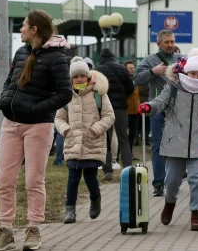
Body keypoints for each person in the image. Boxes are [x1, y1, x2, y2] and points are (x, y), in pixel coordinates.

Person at [0, 10, 72, 251]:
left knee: (33, 181)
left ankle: (33, 231)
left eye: (24, 25)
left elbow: (65, 93)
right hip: (10, 123)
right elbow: (10, 81)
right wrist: (5, 99)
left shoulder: (57, 58)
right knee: (4, 180)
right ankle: (5, 230)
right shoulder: (21, 52)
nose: (20, 29)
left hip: (38, 126)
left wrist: (37, 109)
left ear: (34, 29)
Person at [138, 48, 198, 231]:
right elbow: (160, 101)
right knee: (172, 181)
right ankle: (169, 203)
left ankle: (196, 214)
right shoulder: (173, 87)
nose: (195, 76)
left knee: (197, 178)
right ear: (186, 71)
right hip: (174, 140)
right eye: (192, 72)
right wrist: (148, 106)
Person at [55, 57, 115, 224]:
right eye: (76, 76)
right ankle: (70, 210)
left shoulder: (98, 94)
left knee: (90, 176)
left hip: (91, 142)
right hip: (73, 142)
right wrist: (65, 129)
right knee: (73, 178)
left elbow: (109, 116)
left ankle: (95, 198)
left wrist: (96, 129)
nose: (79, 79)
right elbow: (59, 118)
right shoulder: (66, 96)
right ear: (71, 79)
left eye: (82, 75)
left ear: (88, 76)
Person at [134, 29, 182, 196]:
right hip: (157, 108)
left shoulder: (180, 59)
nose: (170, 45)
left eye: (172, 42)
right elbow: (137, 79)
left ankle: (174, 179)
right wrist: (152, 72)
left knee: (177, 145)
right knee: (158, 145)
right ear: (159, 43)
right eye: (166, 42)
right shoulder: (149, 60)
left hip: (178, 108)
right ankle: (159, 183)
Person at [95, 48, 134, 181]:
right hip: (121, 109)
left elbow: (95, 90)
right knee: (123, 138)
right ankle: (128, 169)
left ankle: (107, 170)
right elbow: (131, 88)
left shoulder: (98, 70)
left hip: (105, 109)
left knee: (106, 139)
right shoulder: (122, 69)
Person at [125, 60, 140, 161]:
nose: (132, 70)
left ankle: (130, 153)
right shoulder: (124, 80)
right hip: (126, 111)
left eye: (133, 68)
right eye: (130, 68)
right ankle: (118, 155)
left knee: (132, 134)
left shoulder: (136, 80)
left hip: (136, 111)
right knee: (123, 135)